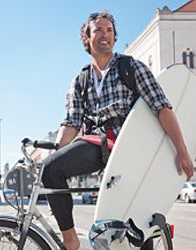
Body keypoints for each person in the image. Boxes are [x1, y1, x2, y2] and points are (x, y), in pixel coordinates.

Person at [42, 11, 194, 250]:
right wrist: (56, 150)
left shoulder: (131, 67)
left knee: (136, 226)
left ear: (114, 38)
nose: (105, 35)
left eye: (109, 30)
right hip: (97, 143)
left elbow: (162, 108)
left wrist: (182, 150)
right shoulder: (79, 81)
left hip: (131, 146)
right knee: (50, 169)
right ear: (87, 38)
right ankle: (70, 240)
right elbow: (71, 123)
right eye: (98, 30)